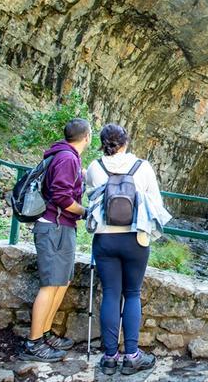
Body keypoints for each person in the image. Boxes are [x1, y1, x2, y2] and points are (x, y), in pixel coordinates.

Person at [85, 124, 161, 375]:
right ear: (126, 142)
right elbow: (155, 204)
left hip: (105, 240)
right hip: (135, 239)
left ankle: (109, 358)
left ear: (102, 143)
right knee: (132, 294)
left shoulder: (95, 167)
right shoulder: (143, 166)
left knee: (110, 293)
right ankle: (132, 356)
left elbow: (90, 197)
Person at [19, 118, 91, 362]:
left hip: (61, 227)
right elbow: (61, 196)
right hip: (54, 227)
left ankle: (45, 333)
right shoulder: (67, 158)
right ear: (87, 137)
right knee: (50, 285)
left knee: (62, 281)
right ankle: (33, 342)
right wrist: (84, 211)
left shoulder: (66, 155)